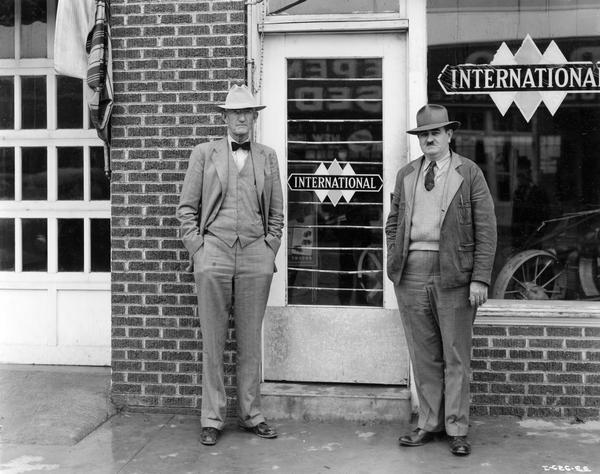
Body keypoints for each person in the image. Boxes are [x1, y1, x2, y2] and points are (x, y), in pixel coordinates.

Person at [385, 104, 497, 456]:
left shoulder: (470, 173)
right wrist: (394, 262)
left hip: (455, 273)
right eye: (423, 134)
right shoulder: (407, 174)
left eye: (435, 132)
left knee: (455, 354)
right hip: (412, 272)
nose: (429, 139)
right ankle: (429, 423)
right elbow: (393, 222)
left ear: (450, 135)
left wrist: (479, 278)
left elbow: (487, 229)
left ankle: (457, 427)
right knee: (424, 353)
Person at [177, 84, 284, 446]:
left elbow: (277, 213)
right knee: (214, 339)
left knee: (250, 340)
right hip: (215, 253)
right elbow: (187, 208)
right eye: (235, 113)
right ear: (224, 117)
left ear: (255, 117)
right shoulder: (204, 154)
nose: (241, 118)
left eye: (247, 112)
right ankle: (212, 417)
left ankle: (252, 414)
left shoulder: (267, 156)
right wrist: (198, 250)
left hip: (256, 253)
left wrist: (270, 249)